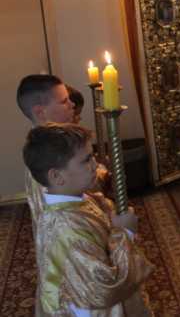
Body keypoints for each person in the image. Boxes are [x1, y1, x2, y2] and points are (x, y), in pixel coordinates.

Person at [24, 123, 153, 316]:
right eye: (86, 160)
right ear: (57, 176)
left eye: (92, 156)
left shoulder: (75, 198)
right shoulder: (66, 229)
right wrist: (125, 233)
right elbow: (104, 288)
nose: (95, 165)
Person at [17, 75, 111, 234]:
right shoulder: (44, 159)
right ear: (40, 112)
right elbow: (55, 223)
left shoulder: (60, 142)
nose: (72, 104)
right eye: (64, 101)